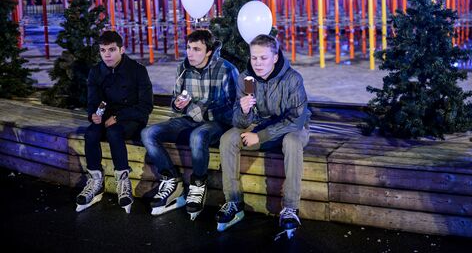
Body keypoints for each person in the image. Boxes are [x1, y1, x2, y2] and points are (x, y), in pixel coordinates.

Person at [216, 34, 310, 236]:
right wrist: (243, 111)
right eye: (254, 58)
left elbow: (296, 119)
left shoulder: (292, 79)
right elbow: (240, 123)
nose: (257, 63)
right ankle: (233, 202)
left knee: (292, 143)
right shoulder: (247, 79)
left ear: (275, 58)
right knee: (228, 138)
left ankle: (290, 208)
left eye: (263, 58)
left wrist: (261, 136)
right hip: (259, 126)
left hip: (292, 128)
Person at [141, 29, 239, 218]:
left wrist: (199, 110)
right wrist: (178, 104)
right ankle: (171, 178)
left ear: (209, 51)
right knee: (148, 133)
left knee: (198, 135)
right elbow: (176, 104)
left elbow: (231, 110)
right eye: (188, 48)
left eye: (196, 49)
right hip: (188, 120)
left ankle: (198, 184)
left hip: (217, 123)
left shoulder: (226, 69)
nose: (190, 53)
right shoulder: (183, 69)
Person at [76, 31, 153, 213]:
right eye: (103, 50)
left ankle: (123, 181)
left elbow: (146, 106)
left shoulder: (137, 70)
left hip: (132, 117)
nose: (107, 54)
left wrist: (119, 117)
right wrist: (93, 115)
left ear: (122, 49)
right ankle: (95, 181)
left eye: (111, 50)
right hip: (106, 116)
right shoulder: (96, 72)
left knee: (114, 132)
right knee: (91, 133)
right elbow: (92, 101)